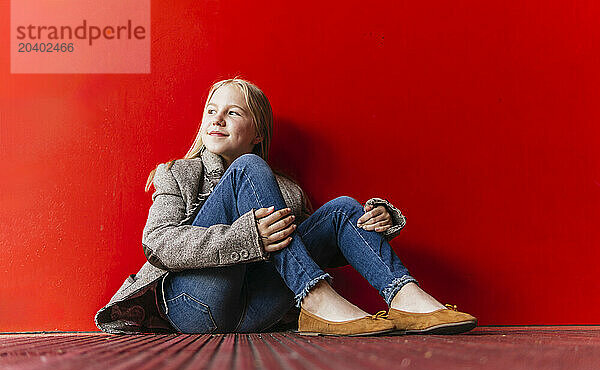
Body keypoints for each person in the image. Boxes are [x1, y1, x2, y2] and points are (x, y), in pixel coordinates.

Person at [95, 77, 477, 336]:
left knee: (343, 207)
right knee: (248, 168)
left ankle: (405, 296)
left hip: (257, 311)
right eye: (211, 110)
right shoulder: (177, 174)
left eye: (233, 112)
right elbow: (157, 243)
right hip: (195, 305)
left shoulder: (287, 191)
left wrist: (377, 221)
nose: (217, 119)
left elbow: (309, 251)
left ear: (257, 131)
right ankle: (315, 299)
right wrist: (244, 238)